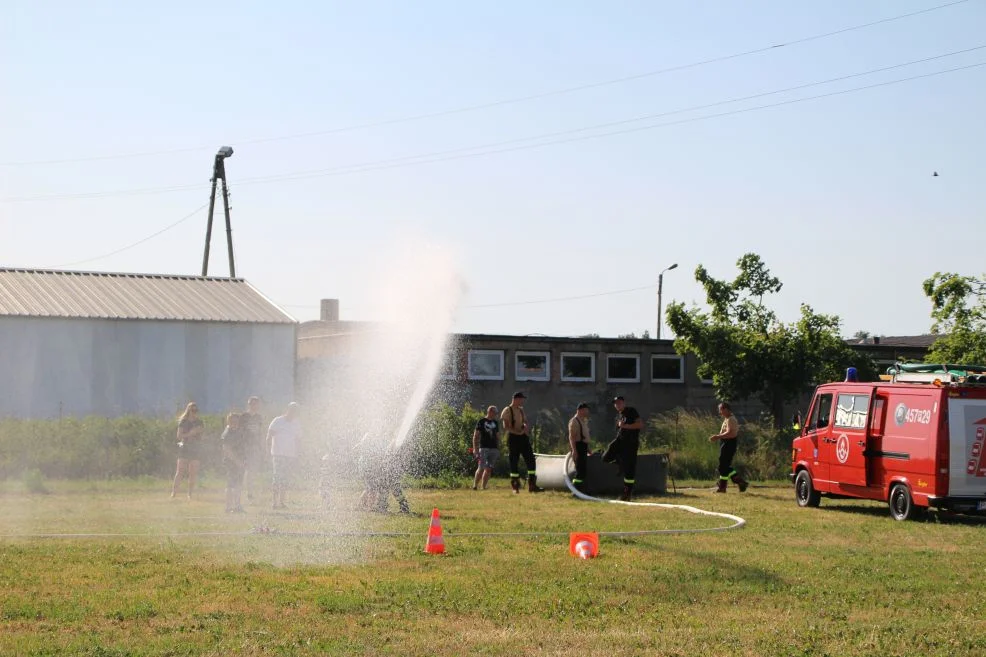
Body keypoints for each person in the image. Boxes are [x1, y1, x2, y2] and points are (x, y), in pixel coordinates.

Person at [500, 392, 543, 494]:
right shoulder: (507, 410)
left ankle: (532, 485)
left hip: (523, 437)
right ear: (515, 399)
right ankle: (515, 486)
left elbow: (525, 421)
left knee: (531, 460)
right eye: (521, 399)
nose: (523, 401)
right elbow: (506, 426)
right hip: (513, 438)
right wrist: (517, 432)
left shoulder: (521, 410)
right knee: (514, 461)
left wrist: (525, 426)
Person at [602, 396, 643, 501]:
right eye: (615, 403)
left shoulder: (631, 411)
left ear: (624, 403)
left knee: (629, 470)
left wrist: (625, 426)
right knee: (605, 457)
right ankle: (620, 462)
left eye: (619, 403)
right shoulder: (619, 415)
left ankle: (627, 494)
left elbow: (639, 425)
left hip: (631, 444)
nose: (617, 405)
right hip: (620, 441)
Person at [267, 402, 301, 510]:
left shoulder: (297, 423)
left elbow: (298, 439)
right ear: (288, 409)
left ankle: (281, 502)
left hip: (290, 455)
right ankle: (274, 502)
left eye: (295, 410)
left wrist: (298, 453)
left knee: (285, 479)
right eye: (291, 409)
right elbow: (269, 436)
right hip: (278, 454)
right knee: (277, 478)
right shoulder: (277, 421)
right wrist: (267, 452)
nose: (293, 412)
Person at [709, 402, 748, 493]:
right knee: (724, 466)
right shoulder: (727, 419)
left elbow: (731, 433)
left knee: (723, 466)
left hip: (729, 443)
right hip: (726, 443)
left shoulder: (731, 419)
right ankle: (734, 484)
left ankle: (734, 483)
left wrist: (717, 436)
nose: (720, 412)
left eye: (721, 410)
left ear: (726, 409)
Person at [171, 401, 204, 499]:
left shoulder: (199, 422)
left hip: (195, 448)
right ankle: (174, 492)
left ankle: (190, 494)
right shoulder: (183, 422)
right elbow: (179, 436)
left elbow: (201, 434)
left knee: (193, 472)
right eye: (192, 410)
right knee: (180, 470)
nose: (194, 412)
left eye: (196, 410)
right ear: (188, 410)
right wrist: (190, 433)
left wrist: (197, 433)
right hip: (185, 447)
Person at [240, 396, 265, 503]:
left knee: (253, 470)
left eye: (256, 404)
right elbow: (240, 431)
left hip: (255, 446)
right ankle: (244, 491)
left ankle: (250, 491)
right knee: (246, 468)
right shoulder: (244, 416)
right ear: (249, 404)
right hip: (245, 446)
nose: (254, 406)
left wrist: (262, 446)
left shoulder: (259, 417)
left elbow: (260, 432)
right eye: (252, 404)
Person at [221, 412, 247, 513]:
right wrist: (238, 462)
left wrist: (243, 461)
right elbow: (227, 450)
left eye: (236, 421)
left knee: (238, 484)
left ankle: (237, 505)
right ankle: (228, 507)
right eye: (233, 421)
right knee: (231, 485)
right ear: (229, 421)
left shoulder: (239, 431)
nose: (235, 423)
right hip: (231, 463)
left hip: (240, 462)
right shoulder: (228, 433)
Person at [472, 405, 499, 491]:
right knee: (481, 468)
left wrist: (499, 447)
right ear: (490, 412)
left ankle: (483, 487)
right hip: (484, 448)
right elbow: (476, 436)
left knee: (489, 469)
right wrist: (475, 449)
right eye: (495, 413)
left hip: (494, 449)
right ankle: (475, 486)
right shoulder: (481, 421)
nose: (496, 414)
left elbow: (498, 436)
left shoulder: (496, 422)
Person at [568, 402, 591, 492]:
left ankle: (580, 489)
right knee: (580, 470)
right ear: (580, 410)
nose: (587, 412)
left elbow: (584, 436)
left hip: (583, 446)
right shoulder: (574, 421)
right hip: (578, 446)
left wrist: (588, 449)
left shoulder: (583, 421)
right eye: (586, 410)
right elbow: (572, 437)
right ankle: (576, 490)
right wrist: (574, 450)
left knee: (582, 469)